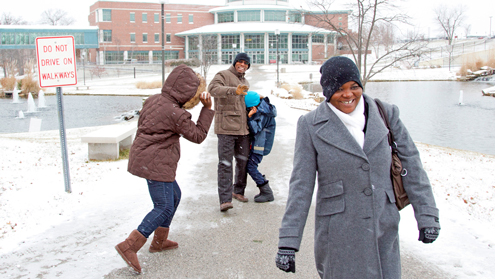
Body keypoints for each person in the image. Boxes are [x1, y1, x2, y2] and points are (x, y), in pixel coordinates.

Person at [275, 56, 440, 278]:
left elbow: (412, 163)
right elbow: (301, 185)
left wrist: (427, 215)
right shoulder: (310, 125)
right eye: (339, 89)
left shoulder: (386, 114)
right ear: (327, 91)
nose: (348, 94)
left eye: (354, 87)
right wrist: (288, 241)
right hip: (338, 235)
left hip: (383, 225)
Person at [115, 64, 214, 274]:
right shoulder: (176, 114)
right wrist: (207, 108)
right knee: (164, 206)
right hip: (156, 162)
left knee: (174, 196)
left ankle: (159, 241)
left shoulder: (153, 99)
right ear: (188, 92)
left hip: (146, 157)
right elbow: (198, 136)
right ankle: (129, 245)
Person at [208, 53, 251, 211]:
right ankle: (225, 200)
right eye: (240, 61)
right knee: (225, 164)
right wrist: (234, 91)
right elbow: (213, 89)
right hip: (226, 127)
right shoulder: (223, 75)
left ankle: (238, 191)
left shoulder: (245, 80)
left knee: (243, 161)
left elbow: (242, 103)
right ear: (234, 63)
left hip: (242, 128)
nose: (243, 64)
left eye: (246, 63)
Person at [244, 91, 276, 202]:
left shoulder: (262, 113)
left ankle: (267, 192)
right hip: (259, 143)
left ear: (252, 107)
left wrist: (250, 117)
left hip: (260, 145)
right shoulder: (264, 108)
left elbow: (256, 129)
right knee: (251, 166)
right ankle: (265, 190)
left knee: (251, 167)